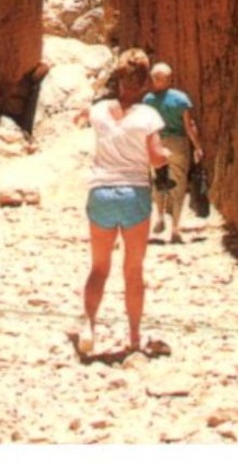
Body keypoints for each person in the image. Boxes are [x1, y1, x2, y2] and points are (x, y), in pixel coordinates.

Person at [78, 48, 169, 356]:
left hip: (101, 192)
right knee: (133, 270)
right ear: (145, 83)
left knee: (99, 267)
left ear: (118, 80)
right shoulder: (148, 116)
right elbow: (156, 159)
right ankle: (132, 337)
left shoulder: (100, 110)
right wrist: (166, 155)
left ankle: (89, 325)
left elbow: (83, 117)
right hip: (133, 194)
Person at [142, 61, 202, 243]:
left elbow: (145, 127)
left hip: (156, 144)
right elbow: (188, 126)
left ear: (153, 79)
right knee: (179, 184)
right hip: (178, 145)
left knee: (159, 181)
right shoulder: (181, 98)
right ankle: (175, 228)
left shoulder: (148, 100)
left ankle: (160, 217)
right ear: (170, 79)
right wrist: (197, 146)